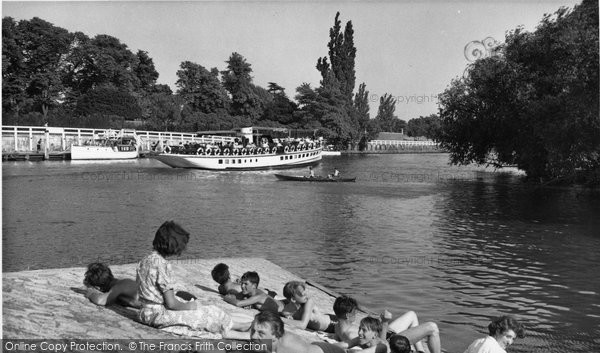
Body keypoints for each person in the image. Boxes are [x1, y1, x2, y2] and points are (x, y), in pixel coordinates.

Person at [136, 220, 251, 337]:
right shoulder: (163, 265)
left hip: (145, 312)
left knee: (205, 309)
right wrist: (189, 306)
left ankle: (237, 326)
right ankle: (240, 332)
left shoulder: (145, 260)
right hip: (157, 315)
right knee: (204, 313)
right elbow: (171, 304)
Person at [332, 295, 440, 353]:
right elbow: (381, 345)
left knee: (411, 314)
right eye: (354, 312)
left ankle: (420, 350)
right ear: (347, 315)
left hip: (386, 333)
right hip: (391, 340)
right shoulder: (353, 334)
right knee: (432, 327)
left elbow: (344, 344)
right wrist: (384, 323)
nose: (355, 314)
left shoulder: (338, 326)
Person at [250, 311, 345, 353]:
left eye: (260, 333)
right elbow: (244, 345)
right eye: (253, 330)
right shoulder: (268, 340)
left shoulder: (288, 349)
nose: (253, 336)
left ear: (275, 336)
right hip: (314, 345)